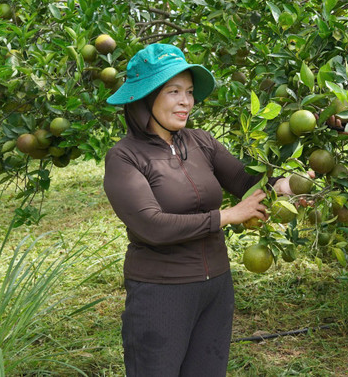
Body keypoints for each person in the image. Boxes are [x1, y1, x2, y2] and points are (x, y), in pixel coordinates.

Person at [102, 42, 295, 376]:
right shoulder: (124, 157)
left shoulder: (201, 142)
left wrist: (290, 184)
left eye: (189, 92)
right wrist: (228, 216)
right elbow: (152, 226)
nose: (186, 102)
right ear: (145, 97)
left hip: (215, 289)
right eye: (173, 91)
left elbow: (247, 183)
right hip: (160, 294)